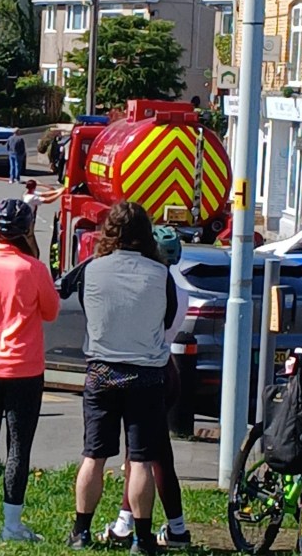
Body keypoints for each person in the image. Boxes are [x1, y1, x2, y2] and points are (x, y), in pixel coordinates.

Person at [67, 202, 175, 553]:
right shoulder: (161, 274)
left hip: (101, 370)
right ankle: (143, 539)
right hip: (145, 373)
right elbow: (168, 317)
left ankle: (81, 531)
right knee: (141, 458)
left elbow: (87, 308)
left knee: (93, 455)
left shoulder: (92, 270)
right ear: (146, 234)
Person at [0, 199, 60, 542]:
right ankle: (12, 525)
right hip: (23, 367)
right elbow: (50, 312)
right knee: (18, 447)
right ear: (26, 229)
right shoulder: (32, 269)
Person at [98, 225, 192, 549]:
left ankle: (147, 526)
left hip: (147, 372)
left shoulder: (150, 286)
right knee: (151, 453)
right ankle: (150, 523)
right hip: (167, 370)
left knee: (141, 455)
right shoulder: (181, 292)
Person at [20, 179, 65, 260]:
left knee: (31, 242)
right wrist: (60, 194)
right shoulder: (31, 197)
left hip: (28, 221)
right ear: (34, 187)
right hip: (28, 223)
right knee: (31, 244)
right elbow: (48, 200)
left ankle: (32, 257)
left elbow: (45, 194)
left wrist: (59, 190)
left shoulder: (29, 193)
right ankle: (32, 258)